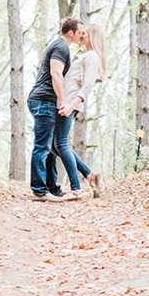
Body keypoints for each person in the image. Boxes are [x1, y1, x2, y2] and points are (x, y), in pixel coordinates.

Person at [27, 16, 83, 201]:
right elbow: (55, 73)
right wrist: (64, 101)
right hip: (43, 99)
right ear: (70, 32)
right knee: (42, 146)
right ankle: (39, 190)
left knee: (51, 148)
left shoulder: (62, 47)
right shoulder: (60, 46)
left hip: (46, 101)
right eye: (79, 32)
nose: (81, 36)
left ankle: (52, 188)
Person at [48, 24, 106, 199]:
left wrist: (72, 105)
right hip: (64, 103)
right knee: (54, 145)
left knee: (61, 144)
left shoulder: (93, 57)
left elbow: (87, 85)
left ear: (92, 36)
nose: (80, 35)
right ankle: (90, 175)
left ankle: (76, 187)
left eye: (84, 33)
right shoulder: (85, 55)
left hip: (70, 104)